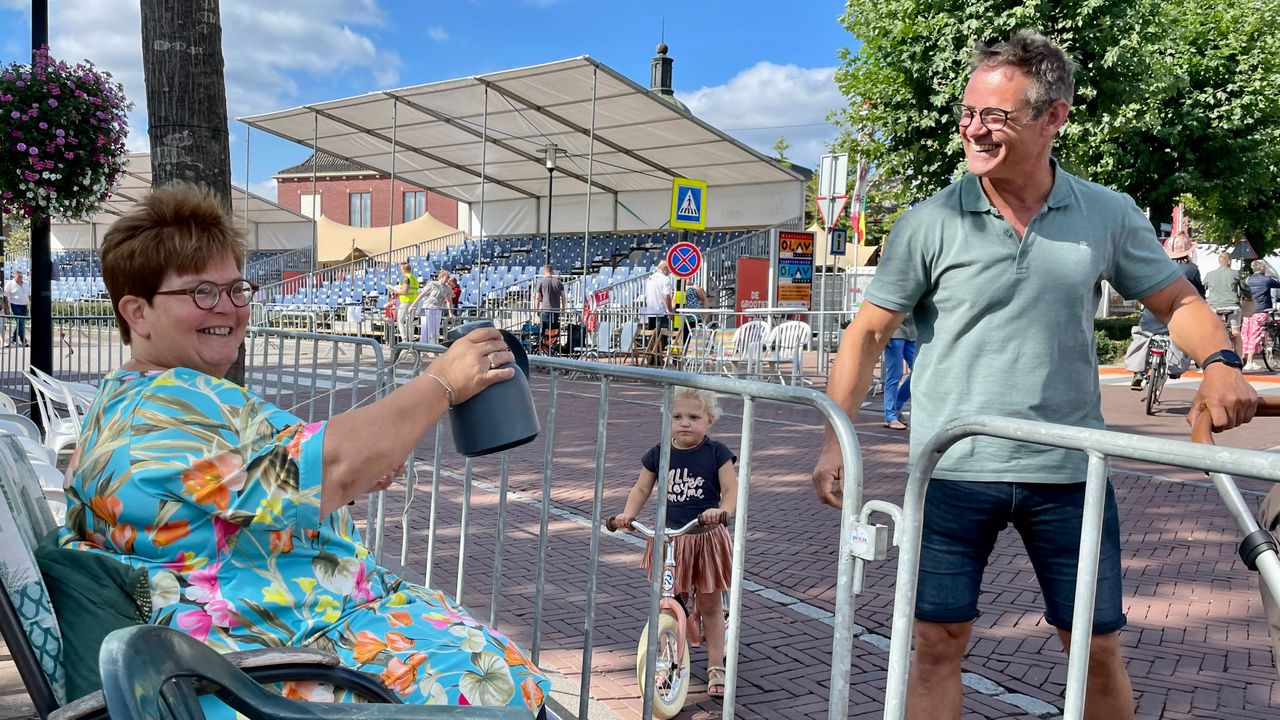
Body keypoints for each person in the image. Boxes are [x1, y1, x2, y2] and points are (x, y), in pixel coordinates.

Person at [809, 31, 1255, 720]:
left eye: (996, 116)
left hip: (1073, 471)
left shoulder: (1106, 214)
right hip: (951, 470)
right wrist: (837, 436)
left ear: (1054, 118)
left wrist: (1222, 363)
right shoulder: (931, 221)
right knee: (936, 642)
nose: (974, 128)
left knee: (1095, 645)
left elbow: (1178, 300)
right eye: (967, 112)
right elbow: (868, 332)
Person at [57, 184, 549, 716]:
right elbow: (327, 468)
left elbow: (254, 482)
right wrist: (442, 383)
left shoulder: (143, 397)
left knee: (500, 669)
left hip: (270, 646)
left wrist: (361, 464)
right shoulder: (159, 416)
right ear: (138, 312)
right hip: (260, 673)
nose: (227, 308)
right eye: (201, 292)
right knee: (504, 688)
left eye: (236, 290)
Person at [613, 387, 738, 702]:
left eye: (694, 417)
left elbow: (731, 489)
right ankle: (670, 650)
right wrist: (628, 515)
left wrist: (723, 511)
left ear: (708, 421)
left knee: (708, 603)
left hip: (704, 537)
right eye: (677, 416)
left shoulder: (716, 453)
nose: (685, 423)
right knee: (672, 598)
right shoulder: (658, 453)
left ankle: (715, 665)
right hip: (671, 538)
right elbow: (642, 488)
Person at [1123, 233, 1204, 388]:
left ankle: (1138, 372)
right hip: (1177, 315)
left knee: (1142, 335)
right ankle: (1175, 368)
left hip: (1152, 314)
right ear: (1188, 252)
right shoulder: (1191, 269)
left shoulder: (1156, 266)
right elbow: (1199, 293)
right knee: (1183, 336)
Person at [1242, 259, 1280, 371]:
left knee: (1245, 334)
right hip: (1261, 310)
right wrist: (1270, 273)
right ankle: (1250, 361)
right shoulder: (1267, 280)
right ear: (1262, 268)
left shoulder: (1248, 279)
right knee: (1255, 334)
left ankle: (1243, 358)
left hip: (1248, 310)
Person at [1203, 251, 1245, 353]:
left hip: (1215, 307)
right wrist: (1248, 297)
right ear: (1229, 261)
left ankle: (1212, 354)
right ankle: (1239, 358)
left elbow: (1202, 289)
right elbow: (1245, 289)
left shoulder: (1210, 274)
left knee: (1213, 332)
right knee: (1236, 332)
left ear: (1219, 261)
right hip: (1232, 306)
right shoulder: (1235, 273)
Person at [882, 314, 916, 430]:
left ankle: (896, 406)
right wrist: (884, 332)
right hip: (894, 333)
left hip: (912, 333)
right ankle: (890, 417)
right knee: (895, 375)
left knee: (918, 371)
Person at [642, 261, 675, 363]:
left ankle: (652, 359)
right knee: (661, 338)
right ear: (665, 269)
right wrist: (670, 311)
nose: (669, 273)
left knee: (652, 337)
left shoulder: (650, 279)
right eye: (669, 270)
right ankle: (657, 360)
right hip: (661, 312)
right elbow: (666, 297)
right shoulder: (665, 279)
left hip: (651, 312)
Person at [533, 265, 564, 353]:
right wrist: (563, 309)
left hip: (545, 310)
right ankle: (552, 347)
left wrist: (537, 310)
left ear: (544, 272)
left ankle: (545, 348)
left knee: (545, 330)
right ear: (552, 272)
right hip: (556, 310)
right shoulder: (558, 282)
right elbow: (563, 297)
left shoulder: (541, 282)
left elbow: (538, 298)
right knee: (554, 330)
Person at [418, 269, 453, 345]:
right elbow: (422, 294)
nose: (448, 279)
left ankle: (434, 346)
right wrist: (414, 304)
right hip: (429, 307)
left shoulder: (447, 288)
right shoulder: (433, 284)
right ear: (442, 276)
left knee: (435, 330)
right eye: (447, 277)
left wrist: (450, 312)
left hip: (438, 308)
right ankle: (423, 347)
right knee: (427, 328)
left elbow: (449, 300)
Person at [391, 261, 419, 343]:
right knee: (410, 322)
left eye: (401, 269)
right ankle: (410, 339)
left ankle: (404, 339)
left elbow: (404, 291)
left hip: (405, 302)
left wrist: (395, 291)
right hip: (413, 302)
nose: (401, 271)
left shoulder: (405, 278)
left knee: (400, 321)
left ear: (404, 270)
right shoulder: (414, 279)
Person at [5, 270, 30, 347]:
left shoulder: (26, 284)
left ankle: (13, 338)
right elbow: (6, 296)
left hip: (24, 305)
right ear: (14, 276)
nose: (20, 278)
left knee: (20, 322)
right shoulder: (10, 284)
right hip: (15, 305)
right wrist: (7, 308)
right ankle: (23, 340)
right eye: (19, 276)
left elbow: (29, 295)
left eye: (21, 276)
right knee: (20, 321)